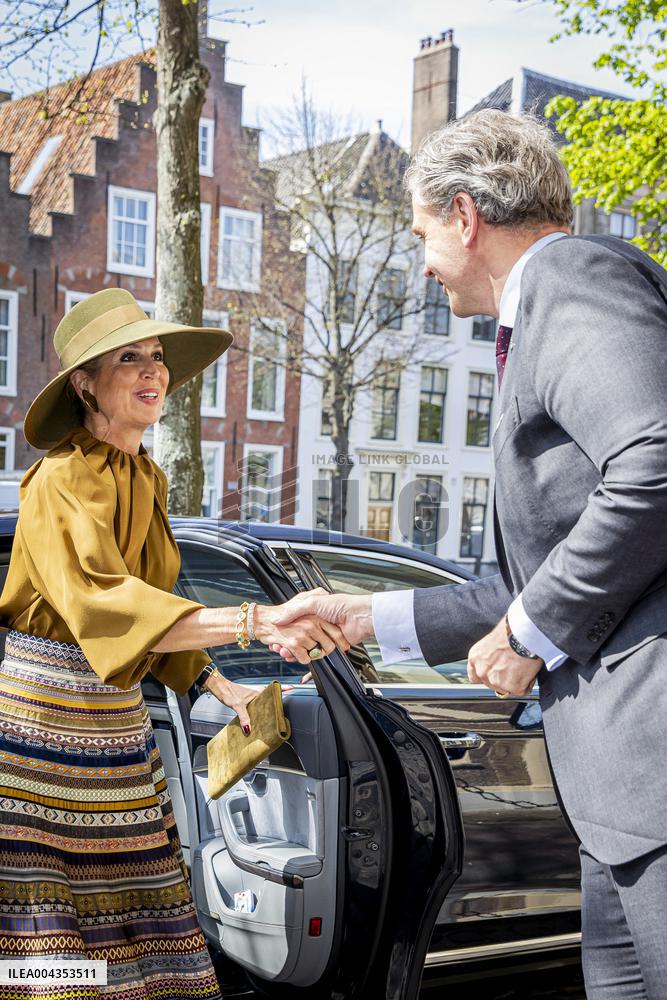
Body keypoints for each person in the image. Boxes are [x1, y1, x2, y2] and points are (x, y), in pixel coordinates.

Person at [275, 110, 667, 999]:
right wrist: (360, 616)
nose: (419, 261)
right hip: (619, 800)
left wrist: (533, 629)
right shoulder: (542, 316)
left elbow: (656, 459)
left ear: (464, 215)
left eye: (420, 233)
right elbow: (515, 582)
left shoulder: (569, 277)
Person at [0, 288, 347, 997]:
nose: (151, 370)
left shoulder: (146, 477)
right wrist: (254, 621)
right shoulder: (59, 478)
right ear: (84, 383)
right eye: (128, 358)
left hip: (119, 728)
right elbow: (108, 604)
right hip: (45, 731)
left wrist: (222, 688)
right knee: (53, 943)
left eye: (156, 356)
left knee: (143, 920)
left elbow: (159, 608)